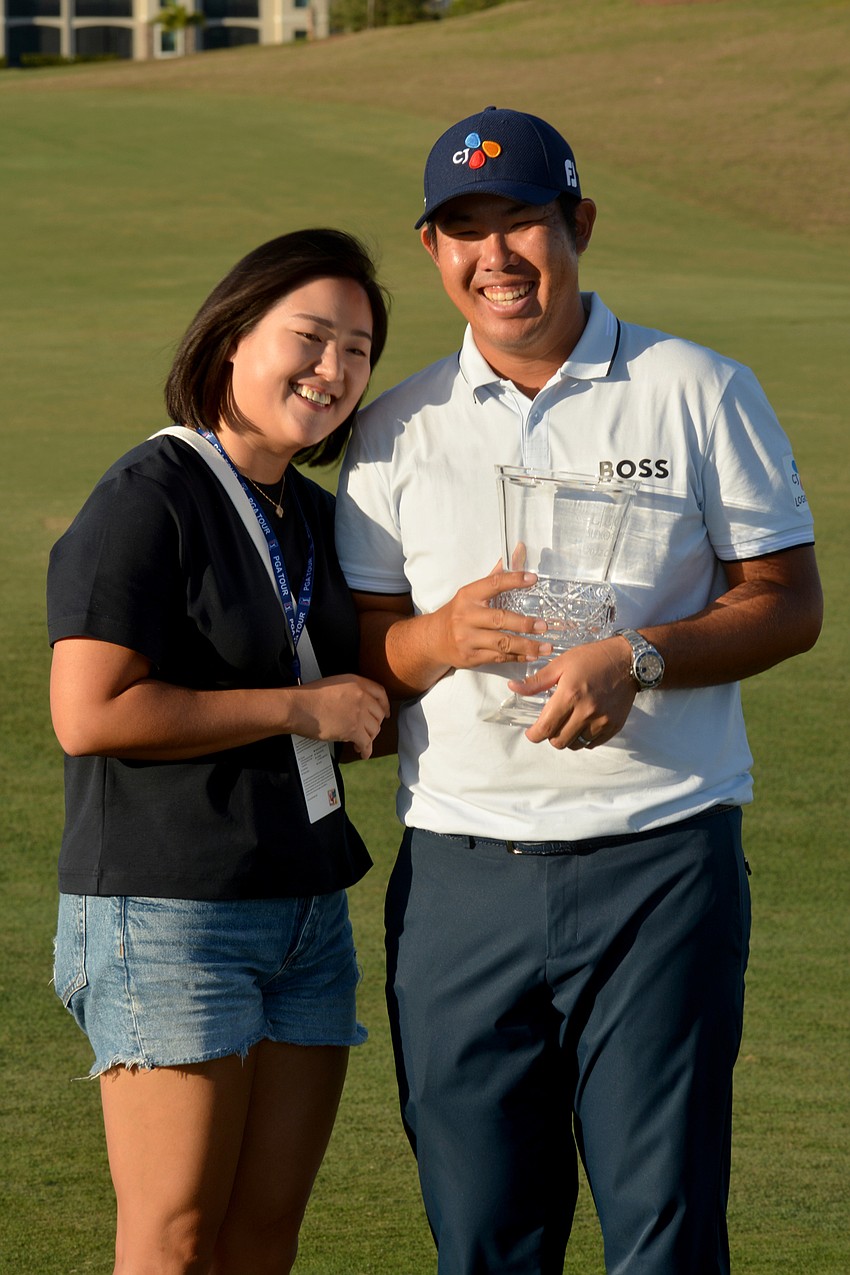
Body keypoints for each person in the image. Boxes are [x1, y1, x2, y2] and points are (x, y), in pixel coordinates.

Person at [334, 107, 824, 1274]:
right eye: (464, 230)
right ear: (431, 250)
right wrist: (440, 637)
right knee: (484, 1241)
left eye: (523, 224)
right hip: (458, 873)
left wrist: (640, 655)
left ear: (579, 225)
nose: (495, 258)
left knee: (662, 1235)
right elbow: (367, 664)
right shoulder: (395, 426)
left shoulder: (697, 389)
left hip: (658, 861)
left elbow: (787, 602)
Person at [47, 228, 391, 1275]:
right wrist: (299, 710)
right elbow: (91, 713)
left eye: (360, 350)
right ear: (232, 336)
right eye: (310, 337)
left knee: (261, 1237)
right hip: (171, 913)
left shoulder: (317, 516)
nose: (333, 370)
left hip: (306, 913)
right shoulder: (147, 494)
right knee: (176, 1236)